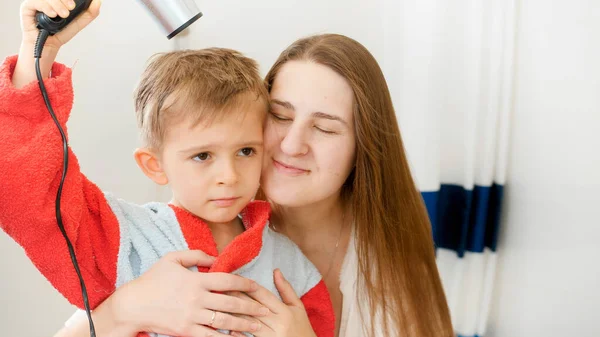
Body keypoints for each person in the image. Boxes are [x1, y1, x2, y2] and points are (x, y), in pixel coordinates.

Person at [10, 0, 455, 335]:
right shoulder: (139, 239)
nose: (293, 144)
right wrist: (38, 53)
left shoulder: (314, 266)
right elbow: (32, 195)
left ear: (365, 148)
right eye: (280, 116)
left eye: (325, 127)